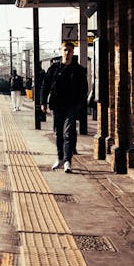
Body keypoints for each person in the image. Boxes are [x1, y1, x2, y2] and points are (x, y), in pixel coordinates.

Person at [40, 41, 88, 173]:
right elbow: (45, 86)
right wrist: (43, 102)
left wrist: (80, 105)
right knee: (58, 133)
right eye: (65, 50)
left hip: (71, 106)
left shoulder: (78, 70)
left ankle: (67, 161)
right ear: (61, 51)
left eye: (70, 50)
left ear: (73, 52)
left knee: (68, 133)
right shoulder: (54, 69)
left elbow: (84, 89)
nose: (67, 53)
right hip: (57, 106)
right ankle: (60, 158)